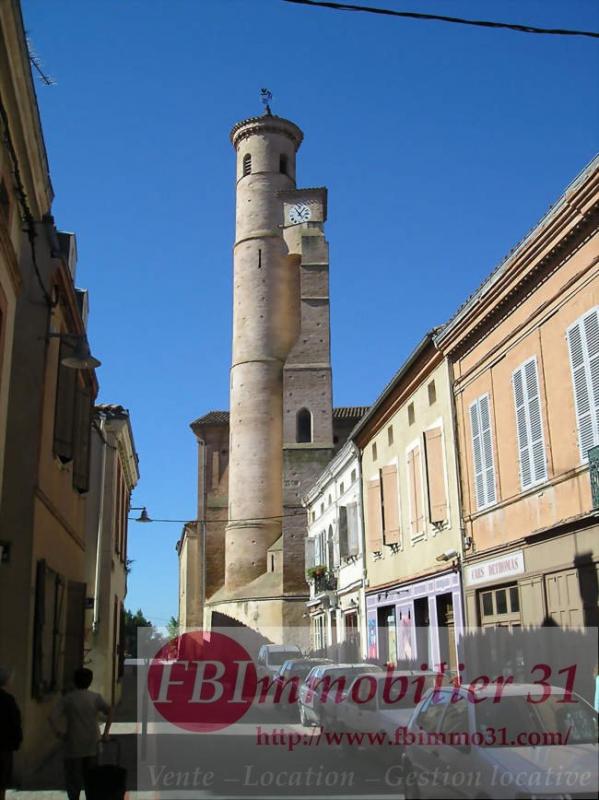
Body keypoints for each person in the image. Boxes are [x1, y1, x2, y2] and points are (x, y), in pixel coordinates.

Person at [49, 667, 112, 800]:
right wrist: (106, 733)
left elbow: (52, 717)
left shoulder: (68, 699)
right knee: (92, 779)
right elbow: (110, 711)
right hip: (93, 744)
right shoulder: (95, 697)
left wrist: (58, 733)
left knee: (73, 781)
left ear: (74, 681)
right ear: (90, 681)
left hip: (73, 744)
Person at [0, 667, 22, 800]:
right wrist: (17, 740)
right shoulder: (8, 700)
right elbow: (15, 722)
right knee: (1, 779)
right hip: (4, 745)